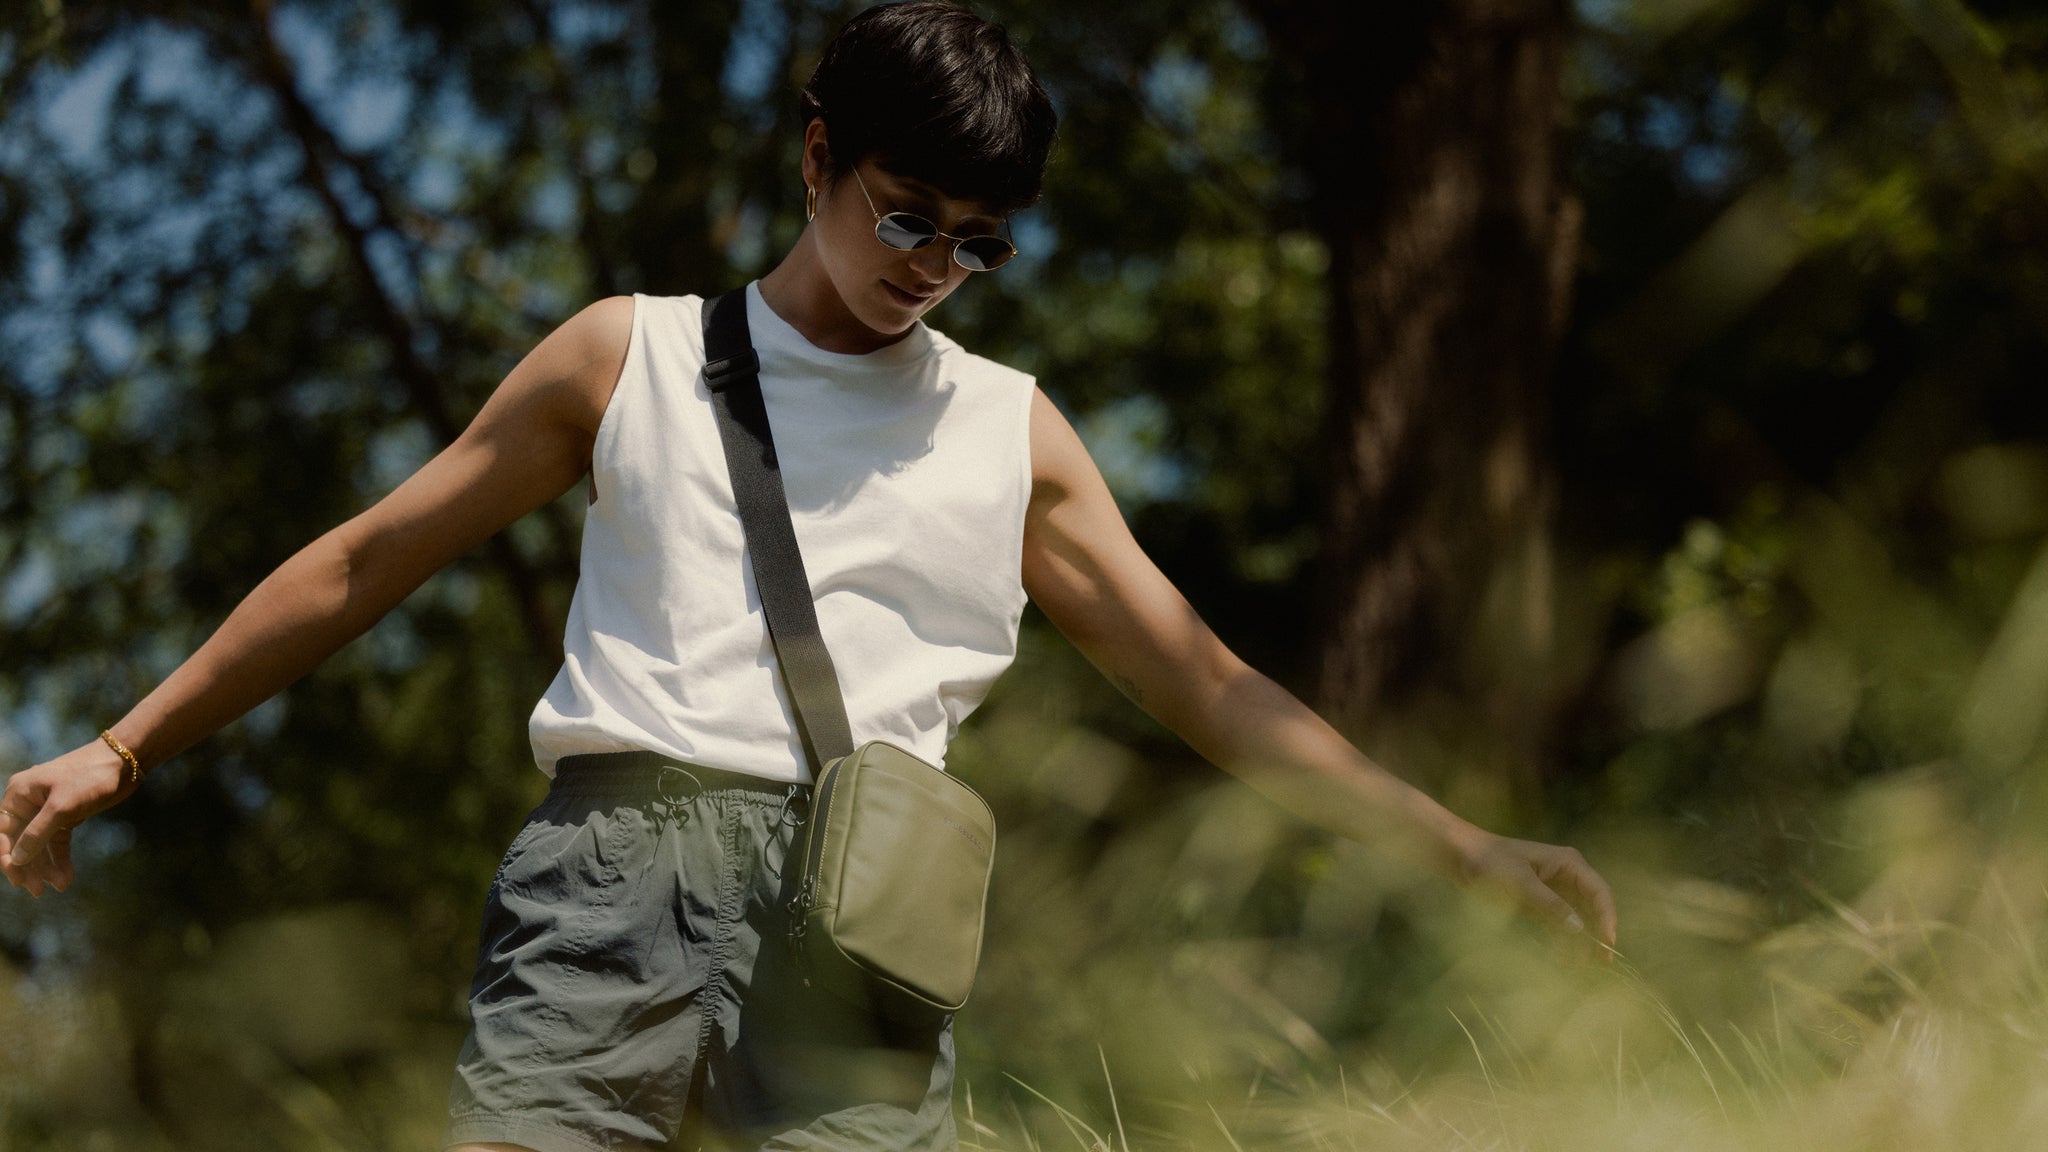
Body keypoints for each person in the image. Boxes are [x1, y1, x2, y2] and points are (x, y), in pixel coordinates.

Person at [0, 2, 1619, 1149]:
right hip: (608, 885)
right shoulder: (622, 357)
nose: (933, 264)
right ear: (818, 153)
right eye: (907, 212)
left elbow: (1206, 682)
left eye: (979, 241)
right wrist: (122, 744)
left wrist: (1458, 842)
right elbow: (365, 561)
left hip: (866, 932)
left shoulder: (1012, 433)